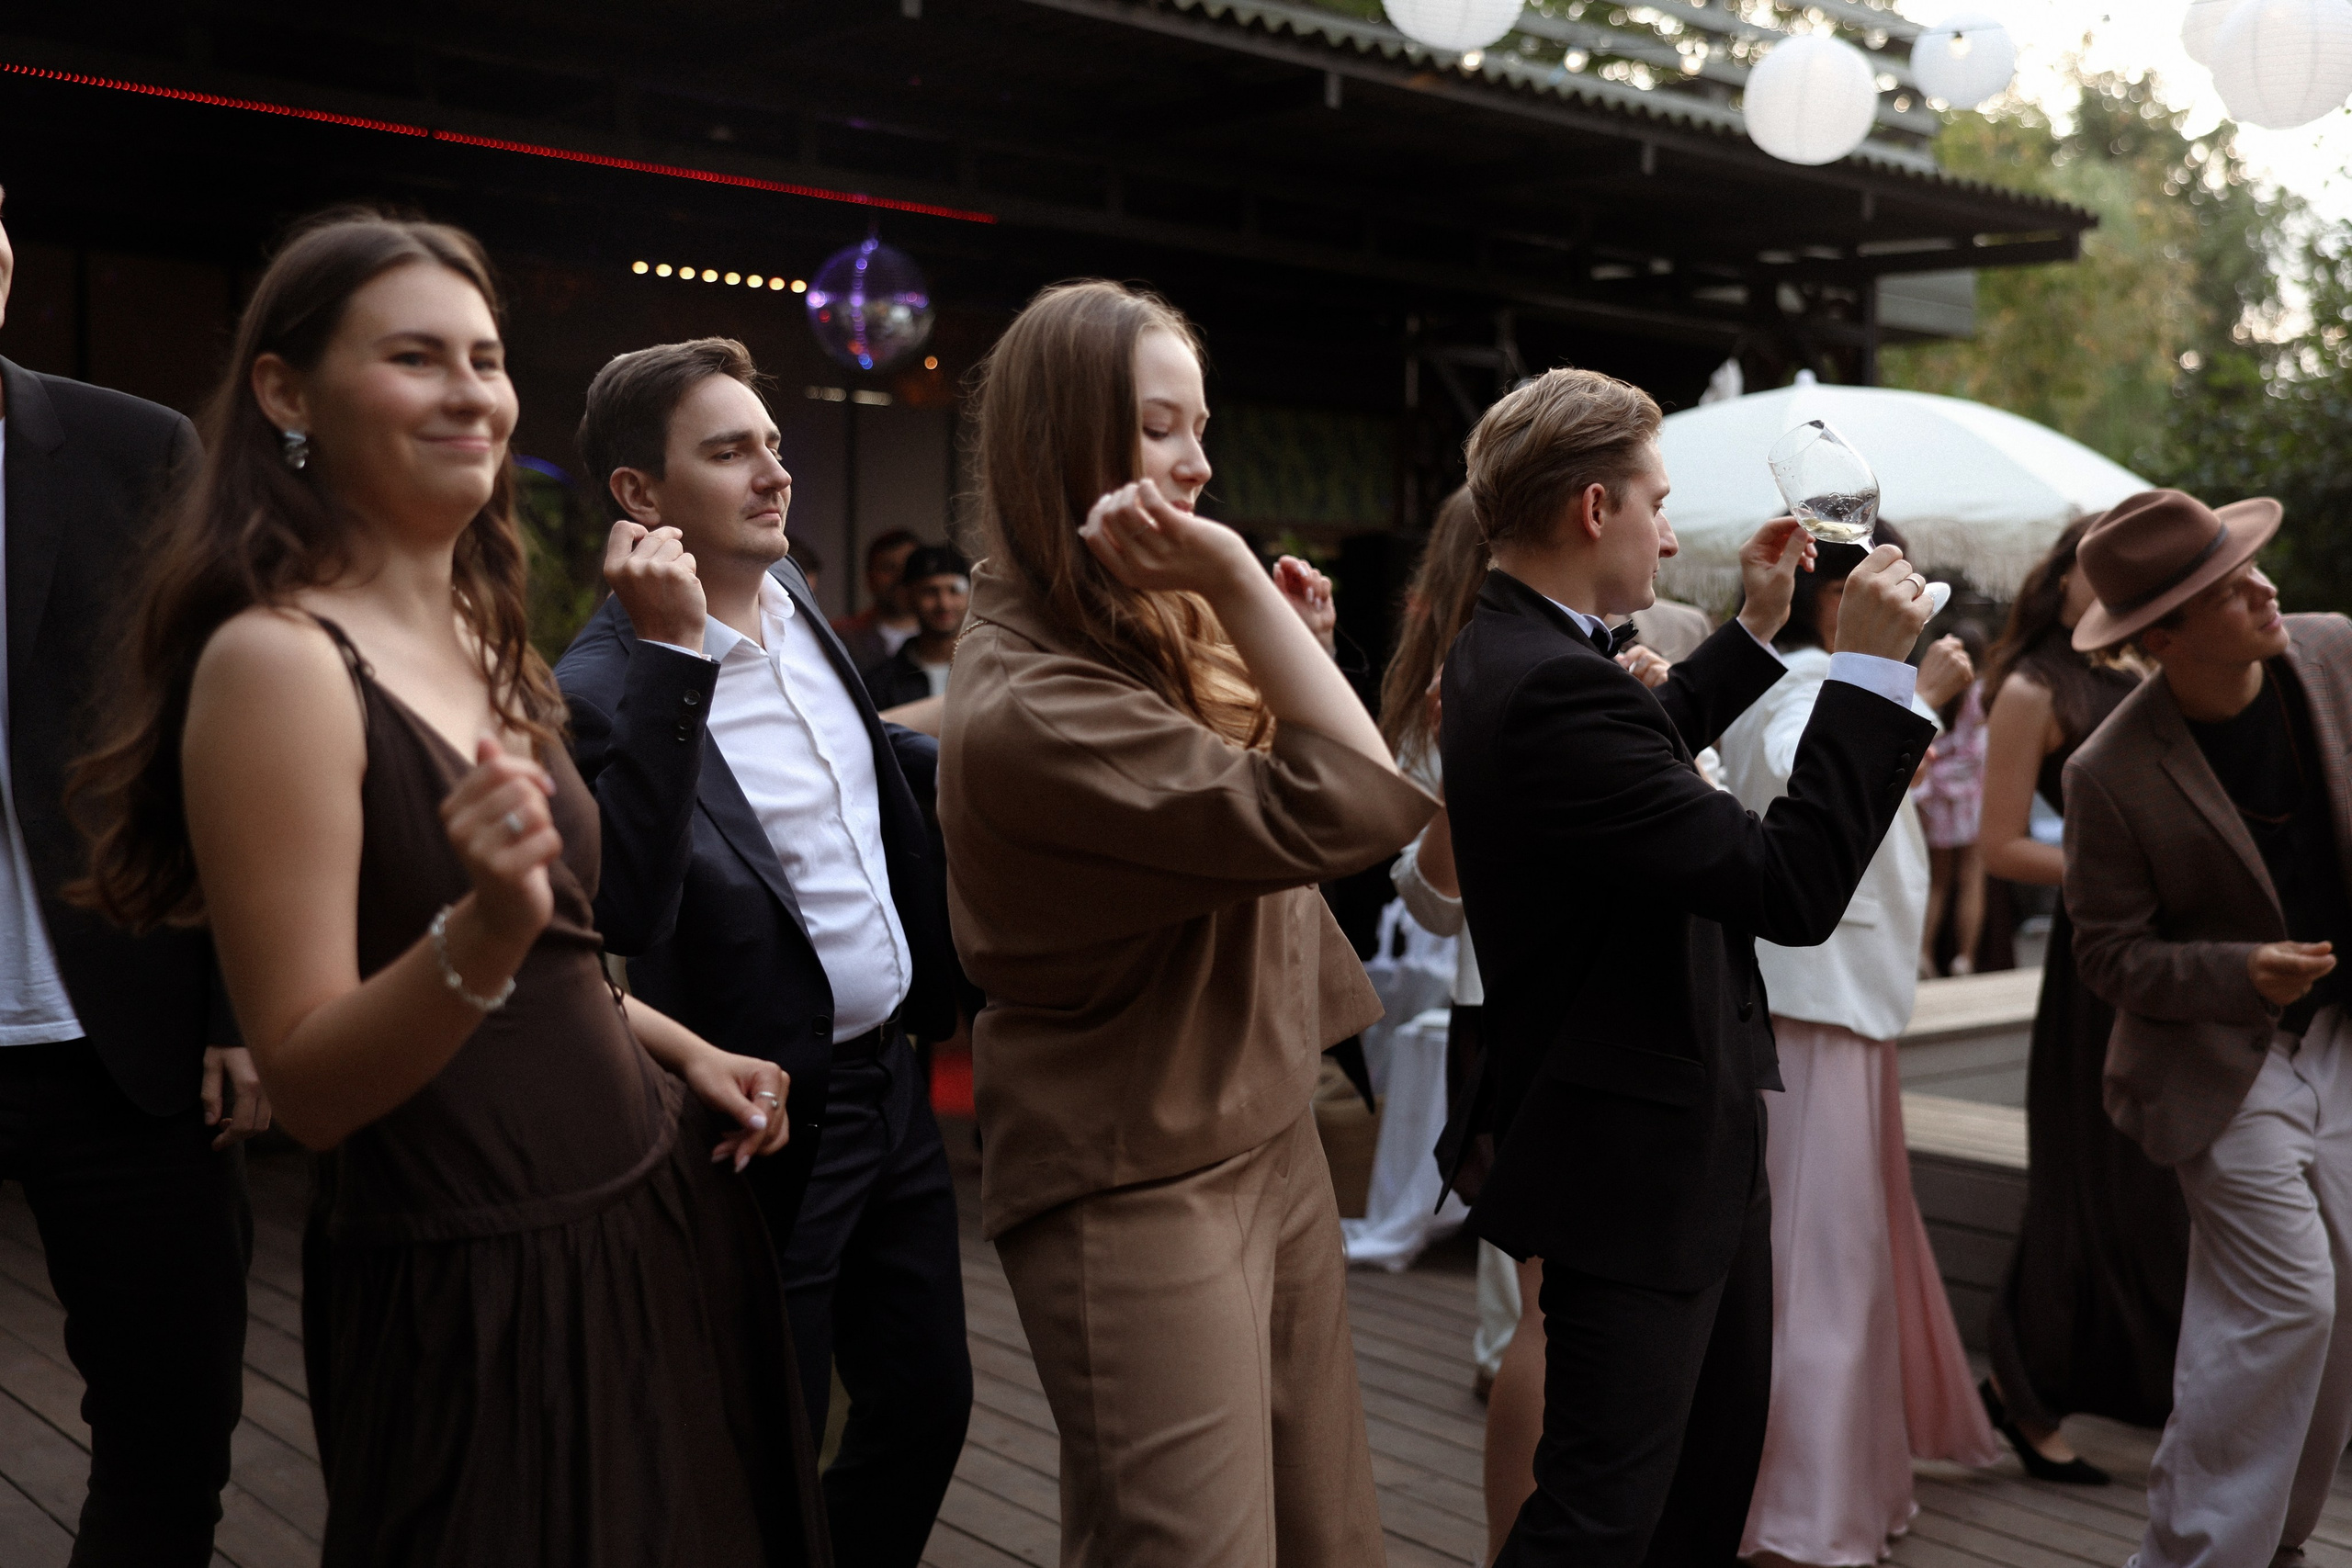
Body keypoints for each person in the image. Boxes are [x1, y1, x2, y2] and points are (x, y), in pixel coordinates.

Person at [69, 213, 826, 1565]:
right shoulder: (278, 660)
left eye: (486, 355)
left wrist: (675, 1040)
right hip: (474, 1273)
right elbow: (304, 1077)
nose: (471, 389)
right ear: (286, 393)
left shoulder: (483, 620)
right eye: (416, 356)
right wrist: (479, 925)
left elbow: (553, 950)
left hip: (642, 1201)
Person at [937, 280, 1433, 1567]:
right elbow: (1351, 807)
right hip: (1136, 1170)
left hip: (1260, 1120)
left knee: (1328, 1534)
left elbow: (1277, 780)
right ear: (1067, 444)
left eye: (1199, 425)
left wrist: (1276, 642)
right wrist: (1235, 584)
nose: (1200, 463)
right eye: (1161, 428)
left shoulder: (1134, 622)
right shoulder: (1035, 700)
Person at [1437, 366, 1938, 1568]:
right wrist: (1867, 670)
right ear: (1593, 510)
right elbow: (1787, 887)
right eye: (1656, 502)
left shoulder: (1523, 648)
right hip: (1635, 1159)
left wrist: (1757, 630)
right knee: (1606, 1513)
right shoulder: (1550, 681)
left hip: (1673, 1136)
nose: (1672, 529)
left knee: (1700, 1486)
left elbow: (1636, 761)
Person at [558, 338, 970, 1568]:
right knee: (761, 1432)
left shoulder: (801, 617)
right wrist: (678, 660)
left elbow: (873, 783)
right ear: (643, 495)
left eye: (773, 443)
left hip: (895, 1088)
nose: (773, 472)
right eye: (730, 450)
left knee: (929, 1400)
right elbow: (616, 908)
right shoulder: (600, 680)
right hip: (761, 1111)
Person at [0, 186, 265, 1567]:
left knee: (174, 1425)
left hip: (125, 1028)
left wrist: (235, 1001)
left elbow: (203, 736)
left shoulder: (129, 450)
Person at [2063, 489, 2352, 1568]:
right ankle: (2191, 1557)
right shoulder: (2108, 772)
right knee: (2287, 1305)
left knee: (2342, 1305)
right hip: (2217, 1066)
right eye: (2229, 589)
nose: (2264, 589)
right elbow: (2106, 955)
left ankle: (2272, 1543)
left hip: (2342, 1042)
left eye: (2251, 568)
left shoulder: (2332, 656)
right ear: (2163, 638)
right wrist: (2241, 973)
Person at [1712, 530, 2000, 1566]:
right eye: (1894, 582)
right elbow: (1807, 776)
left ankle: (1830, 1485)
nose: (1913, 600)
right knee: (1818, 1261)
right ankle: (1797, 1510)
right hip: (1815, 1002)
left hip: (1838, 1001)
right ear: (1835, 597)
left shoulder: (1809, 679)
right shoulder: (1799, 683)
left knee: (1843, 1252)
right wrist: (1910, 691)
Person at [1974, 513, 2177, 1485]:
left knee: (2162, 1186)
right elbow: (1998, 847)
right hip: (2095, 956)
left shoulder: (2153, 669)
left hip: (2175, 962)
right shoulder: (2031, 687)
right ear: (2059, 582)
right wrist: (2120, 874)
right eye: (2092, 567)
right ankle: (2022, 1391)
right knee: (2082, 1181)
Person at [1917, 620, 1991, 976]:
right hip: (1972, 798)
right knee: (1972, 878)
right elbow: (1980, 752)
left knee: (1938, 881)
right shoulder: (1981, 696)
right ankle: (1965, 957)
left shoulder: (1937, 691)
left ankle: (1926, 953)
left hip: (1937, 796)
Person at [863, 543, 969, 710]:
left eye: (954, 590)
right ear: (907, 597)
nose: (944, 604)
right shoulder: (881, 682)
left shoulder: (991, 670)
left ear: (971, 594)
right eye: (930, 592)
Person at [833, 528, 919, 670]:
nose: (900, 577)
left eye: (909, 568)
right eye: (888, 568)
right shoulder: (840, 637)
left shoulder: (954, 638)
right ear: (869, 576)